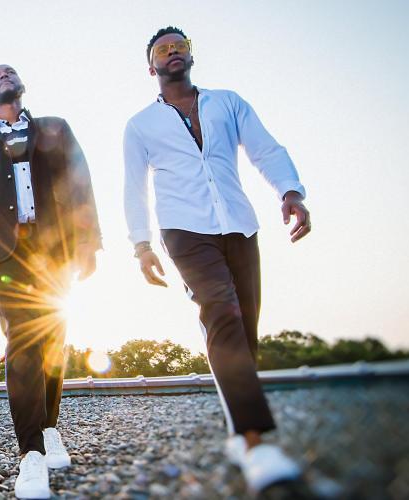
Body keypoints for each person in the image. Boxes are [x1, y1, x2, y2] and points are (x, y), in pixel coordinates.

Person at [123, 26, 312, 494]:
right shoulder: (140, 124)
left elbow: (265, 148)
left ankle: (237, 431)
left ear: (190, 56)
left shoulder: (228, 102)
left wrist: (290, 191)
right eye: (162, 50)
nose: (172, 52)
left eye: (179, 47)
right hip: (184, 230)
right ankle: (255, 443)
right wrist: (141, 245)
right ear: (152, 67)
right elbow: (133, 186)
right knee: (221, 312)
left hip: (239, 224)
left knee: (245, 328)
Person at [0, 64, 102, 499]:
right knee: (22, 342)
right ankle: (31, 454)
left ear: (21, 87)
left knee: (54, 340)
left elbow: (81, 183)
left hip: (54, 249)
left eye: (10, 72)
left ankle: (50, 427)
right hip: (4, 254)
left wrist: (89, 242)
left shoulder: (56, 129)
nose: (3, 75)